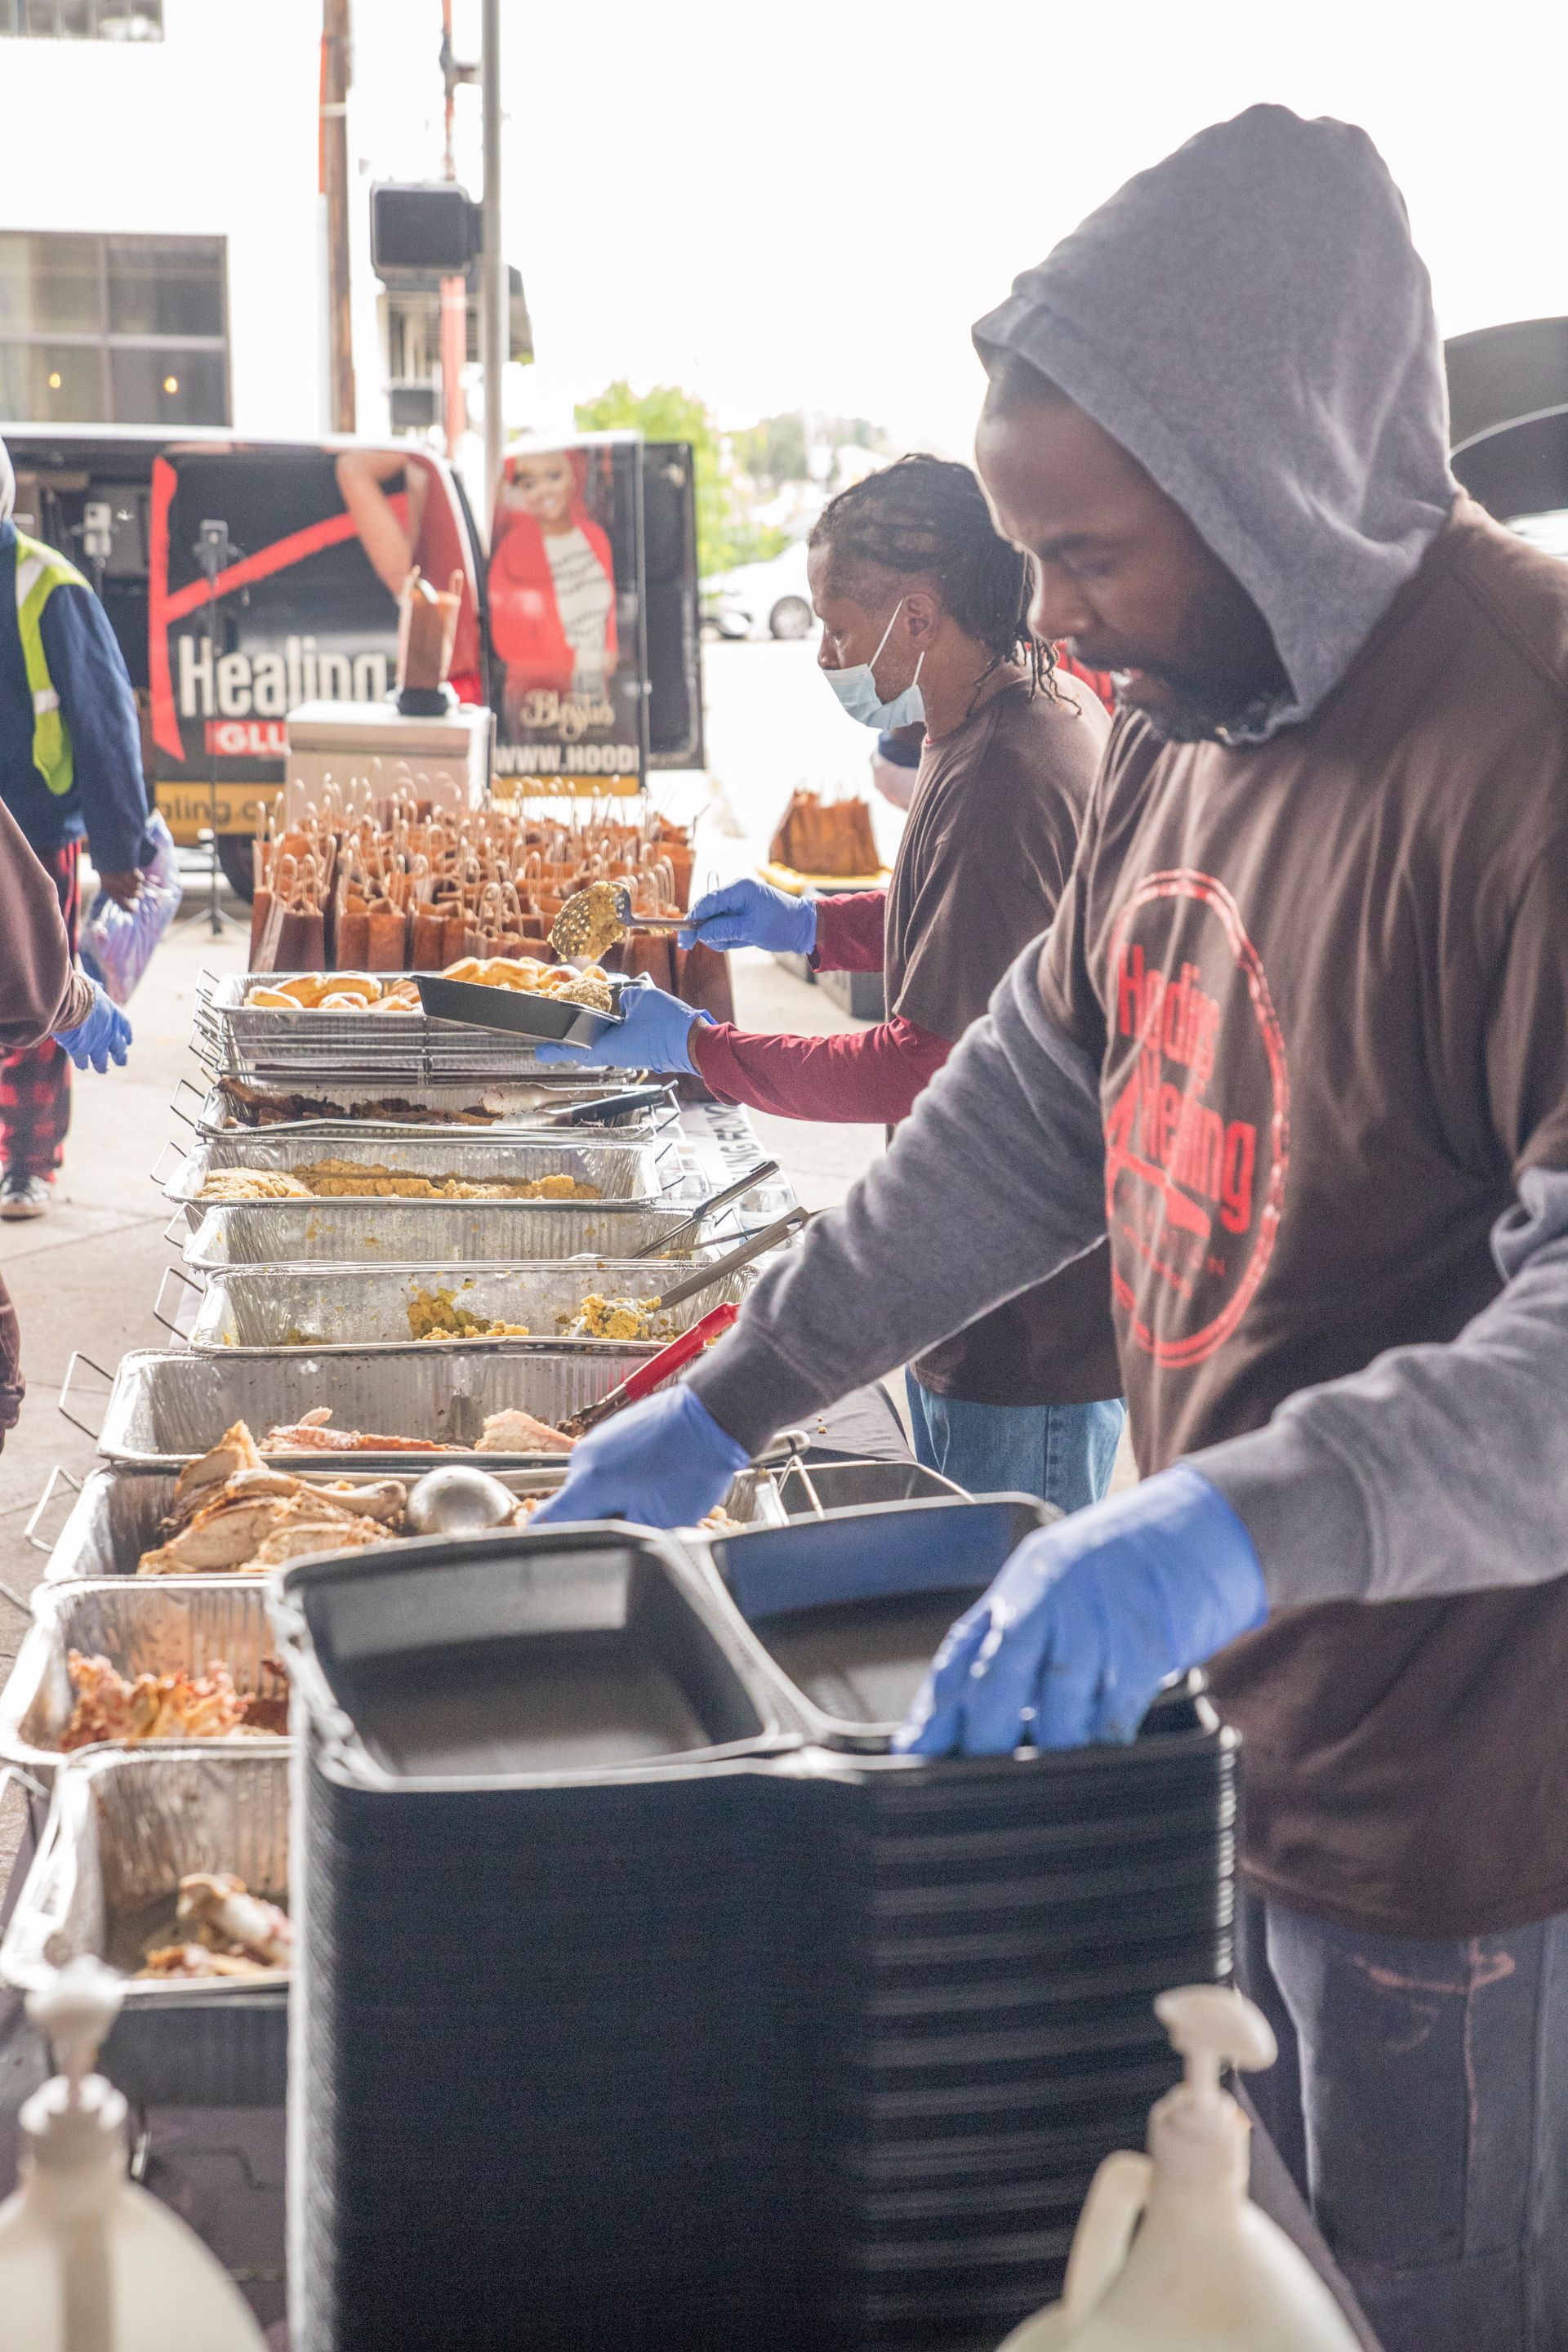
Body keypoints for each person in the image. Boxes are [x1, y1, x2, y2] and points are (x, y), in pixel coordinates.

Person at [533, 108, 1568, 2352]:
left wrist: (1226, 1523)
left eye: (1086, 557)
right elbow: (1021, 1106)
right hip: (1240, 1738)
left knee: (1416, 2301)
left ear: (1275, 482)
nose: (1051, 620)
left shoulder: (1527, 740)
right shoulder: (1194, 716)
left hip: (1467, 1824)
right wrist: (742, 1392)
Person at [537, 455, 1125, 1513]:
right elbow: (977, 930)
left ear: (918, 615)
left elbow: (918, 1066)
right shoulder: (1020, 710)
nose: (823, 653)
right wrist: (813, 922)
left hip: (1028, 1330)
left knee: (979, 1613)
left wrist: (703, 1050)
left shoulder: (1009, 771)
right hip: (982, 1291)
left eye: (838, 628)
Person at [0, 435, 149, 1219]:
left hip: (32, 832)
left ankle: (28, 1160)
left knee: (33, 1000)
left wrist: (121, 848)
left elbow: (103, 726)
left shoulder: (47, 587)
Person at [487, 446, 617, 734]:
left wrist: (607, 651)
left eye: (554, 476)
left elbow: (608, 614)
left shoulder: (594, 539)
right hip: (538, 702)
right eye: (530, 484)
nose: (544, 491)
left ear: (573, 478)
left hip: (593, 698)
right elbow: (507, 638)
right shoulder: (513, 547)